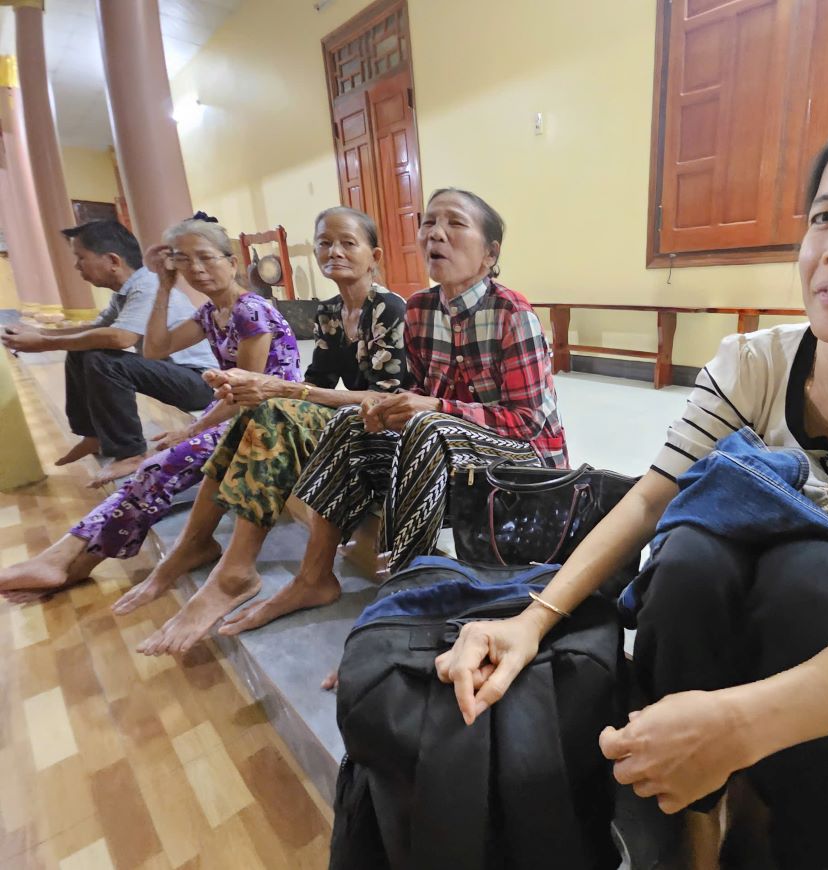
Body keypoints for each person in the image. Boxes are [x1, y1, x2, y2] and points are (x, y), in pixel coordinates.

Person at [433, 106, 828, 868]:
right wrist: (532, 619)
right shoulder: (754, 365)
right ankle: (690, 817)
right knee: (688, 559)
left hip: (821, 634)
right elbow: (650, 498)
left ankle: (779, 824)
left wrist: (740, 729)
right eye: (825, 215)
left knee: (816, 579)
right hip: (716, 606)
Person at [164, 187, 566, 652]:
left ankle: (405, 605)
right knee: (352, 422)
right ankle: (314, 576)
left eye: (455, 223)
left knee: (425, 427)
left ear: (489, 254)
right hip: (454, 450)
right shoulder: (421, 309)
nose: (436, 233)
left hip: (522, 465)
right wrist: (388, 411)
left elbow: (528, 423)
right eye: (429, 223)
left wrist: (431, 408)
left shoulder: (510, 313)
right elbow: (414, 394)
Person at [119, 207, 410, 655]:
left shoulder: (388, 308)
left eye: (347, 243)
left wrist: (280, 392)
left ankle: (234, 571)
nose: (333, 251)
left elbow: (384, 400)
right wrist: (276, 395)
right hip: (348, 417)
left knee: (274, 411)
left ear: (374, 256)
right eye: (325, 243)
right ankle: (198, 546)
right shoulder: (330, 311)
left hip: (387, 426)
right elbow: (316, 382)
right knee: (260, 412)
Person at [0, 215, 301, 602]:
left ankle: (72, 561)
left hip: (272, 417)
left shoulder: (251, 311)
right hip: (239, 414)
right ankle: (65, 556)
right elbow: (156, 349)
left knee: (158, 466)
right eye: (184, 260)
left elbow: (247, 393)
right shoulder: (211, 313)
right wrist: (163, 286)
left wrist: (190, 430)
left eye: (205, 257)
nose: (196, 268)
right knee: (156, 466)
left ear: (231, 262)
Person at [0, 219, 217, 481]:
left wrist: (44, 343)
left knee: (103, 358)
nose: (76, 266)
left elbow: (121, 338)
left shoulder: (148, 286)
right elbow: (94, 330)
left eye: (81, 257)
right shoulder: (126, 292)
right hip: (173, 373)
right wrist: (39, 333)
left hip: (201, 382)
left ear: (113, 260)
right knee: (84, 348)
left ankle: (130, 453)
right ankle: (94, 435)